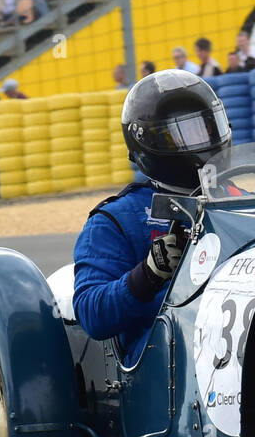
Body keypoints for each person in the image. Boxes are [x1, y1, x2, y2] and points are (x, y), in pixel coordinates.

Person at [72, 71, 232, 367]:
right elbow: (91, 314)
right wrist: (148, 274)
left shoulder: (242, 198)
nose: (207, 140)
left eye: (211, 127)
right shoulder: (115, 220)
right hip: (169, 359)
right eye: (190, 132)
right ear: (152, 141)